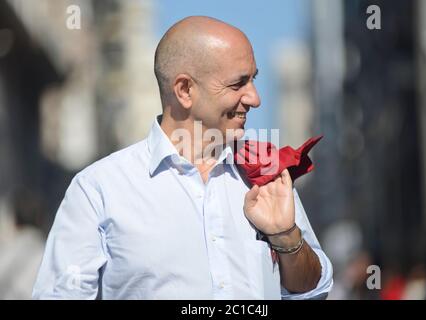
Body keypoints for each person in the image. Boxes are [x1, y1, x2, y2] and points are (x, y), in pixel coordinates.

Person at [32, 16, 333, 299]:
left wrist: (286, 237)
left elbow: (314, 291)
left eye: (253, 80)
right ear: (185, 90)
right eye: (238, 83)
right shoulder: (98, 189)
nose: (255, 98)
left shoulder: (267, 173)